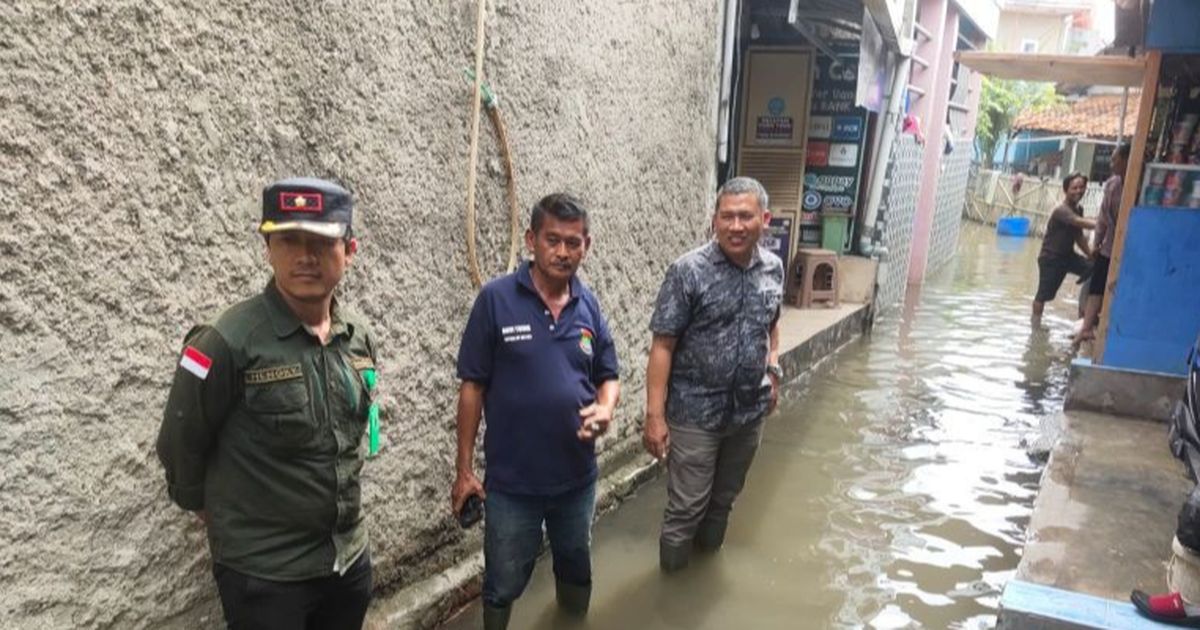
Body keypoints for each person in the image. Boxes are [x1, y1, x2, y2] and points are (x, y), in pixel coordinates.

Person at [156, 178, 377, 630]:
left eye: (321, 241)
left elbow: (355, 433)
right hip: (266, 576)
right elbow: (181, 437)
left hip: (347, 558)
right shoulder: (225, 340)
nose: (305, 256)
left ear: (349, 250)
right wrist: (209, 510)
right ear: (267, 247)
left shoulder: (356, 336)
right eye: (289, 240)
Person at [452, 193, 621, 630]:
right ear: (531, 240)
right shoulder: (495, 299)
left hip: (576, 479)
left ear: (587, 245)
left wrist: (605, 407)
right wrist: (464, 470)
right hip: (512, 485)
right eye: (553, 240)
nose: (563, 252)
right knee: (503, 581)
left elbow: (609, 373)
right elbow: (473, 386)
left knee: (576, 566)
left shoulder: (589, 306)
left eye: (573, 242)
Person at [643, 176, 784, 573]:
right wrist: (655, 415)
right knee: (687, 507)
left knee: (724, 500)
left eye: (745, 216)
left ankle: (704, 577)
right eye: (727, 217)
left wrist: (773, 369)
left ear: (765, 219)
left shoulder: (773, 269)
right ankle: (670, 589)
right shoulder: (688, 271)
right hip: (694, 414)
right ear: (714, 220)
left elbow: (772, 325)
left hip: (747, 413)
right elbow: (662, 345)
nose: (735, 226)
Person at [1079, 143, 1131, 341]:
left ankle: (1110, 329)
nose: (1111, 164)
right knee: (1097, 287)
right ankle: (1086, 327)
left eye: (1115, 159)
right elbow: (1102, 219)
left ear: (1127, 159)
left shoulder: (1139, 182)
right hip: (1109, 246)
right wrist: (1096, 244)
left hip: (1130, 247)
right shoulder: (1112, 185)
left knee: (1118, 288)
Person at [1032, 172, 1096, 326]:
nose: (1078, 191)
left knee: (1095, 269)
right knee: (1043, 296)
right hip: (1051, 258)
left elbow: (1078, 236)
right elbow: (1078, 222)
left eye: (1082, 187)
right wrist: (1104, 223)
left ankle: (1084, 316)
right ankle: (1035, 327)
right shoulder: (1061, 210)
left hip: (1068, 256)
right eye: (1074, 188)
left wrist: (1090, 255)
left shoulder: (1079, 209)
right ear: (1066, 190)